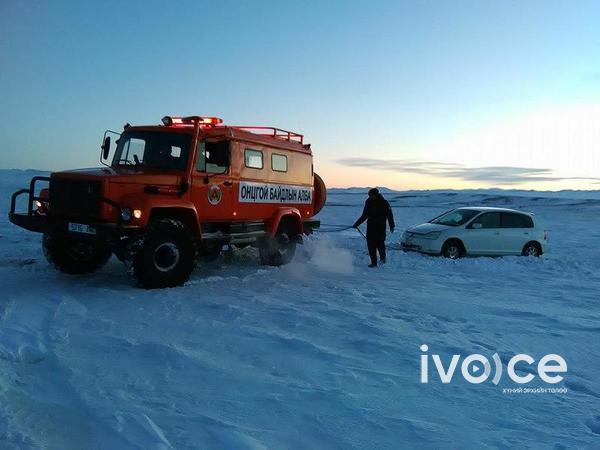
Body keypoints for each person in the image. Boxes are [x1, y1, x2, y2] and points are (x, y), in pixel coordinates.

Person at [353, 188, 395, 267]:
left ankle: (383, 259)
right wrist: (357, 224)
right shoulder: (368, 202)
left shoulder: (384, 203)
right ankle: (373, 262)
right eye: (369, 195)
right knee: (370, 244)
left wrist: (392, 225)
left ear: (376, 195)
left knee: (380, 244)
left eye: (371, 195)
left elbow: (390, 215)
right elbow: (365, 215)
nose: (369, 197)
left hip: (380, 226)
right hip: (371, 226)